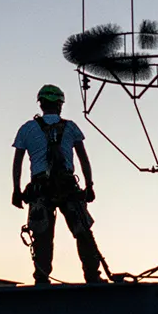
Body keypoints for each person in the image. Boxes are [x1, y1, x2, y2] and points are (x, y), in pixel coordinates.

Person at [12, 84, 104, 285]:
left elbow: (17, 162)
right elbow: (84, 159)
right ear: (60, 105)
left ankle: (42, 278)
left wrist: (16, 191)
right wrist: (89, 186)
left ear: (41, 103)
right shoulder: (71, 128)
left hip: (39, 189)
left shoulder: (27, 129)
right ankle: (93, 276)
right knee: (83, 232)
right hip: (67, 187)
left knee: (42, 236)